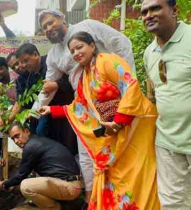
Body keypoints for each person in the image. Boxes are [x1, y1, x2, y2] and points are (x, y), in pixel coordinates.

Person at [39, 31, 160, 210]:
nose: (76, 53)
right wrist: (52, 109)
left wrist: (119, 120)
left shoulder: (108, 61)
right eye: (72, 51)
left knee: (137, 175)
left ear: (92, 46)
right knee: (117, 177)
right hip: (113, 132)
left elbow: (130, 86)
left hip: (135, 128)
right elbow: (79, 107)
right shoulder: (84, 77)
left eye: (79, 47)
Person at [35, 9, 136, 202]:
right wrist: (34, 111)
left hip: (110, 100)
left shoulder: (89, 29)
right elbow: (48, 87)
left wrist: (125, 87)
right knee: (87, 154)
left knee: (117, 153)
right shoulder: (54, 55)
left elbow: (121, 43)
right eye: (44, 27)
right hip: (83, 104)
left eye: (50, 22)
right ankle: (92, 199)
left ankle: (124, 199)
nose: (48, 28)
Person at [141, 0, 191, 209]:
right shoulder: (149, 53)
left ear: (174, 11)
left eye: (156, 8)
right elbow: (154, 94)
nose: (148, 15)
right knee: (172, 204)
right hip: (167, 143)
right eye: (144, 11)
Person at [0, 122, 82, 210]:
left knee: (26, 186)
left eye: (17, 136)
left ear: (27, 131)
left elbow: (20, 176)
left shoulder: (30, 146)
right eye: (13, 139)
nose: (16, 141)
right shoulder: (37, 141)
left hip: (70, 186)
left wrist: (4, 184)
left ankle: (54, 208)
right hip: (69, 184)